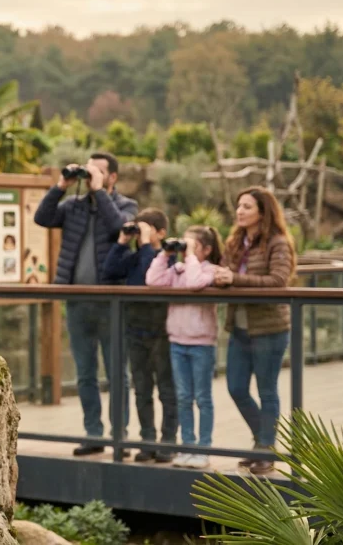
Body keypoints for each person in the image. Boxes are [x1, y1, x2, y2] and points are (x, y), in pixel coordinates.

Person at [33, 152, 138, 455]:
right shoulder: (74, 206)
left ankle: (121, 438)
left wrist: (98, 191)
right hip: (77, 302)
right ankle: (93, 434)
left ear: (112, 177)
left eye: (98, 171)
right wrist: (61, 185)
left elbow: (120, 229)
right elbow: (42, 217)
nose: (90, 174)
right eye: (88, 170)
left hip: (112, 302)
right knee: (85, 373)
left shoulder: (126, 206)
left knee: (118, 373)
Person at [213, 187, 297, 475]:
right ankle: (265, 441)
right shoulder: (237, 241)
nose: (239, 211)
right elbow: (225, 270)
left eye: (247, 206)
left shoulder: (278, 242)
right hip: (239, 327)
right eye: (238, 205)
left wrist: (234, 278)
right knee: (236, 387)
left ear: (263, 211)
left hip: (270, 328)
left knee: (267, 390)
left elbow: (278, 281)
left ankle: (265, 448)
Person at [101, 208, 177, 463]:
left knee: (166, 389)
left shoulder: (169, 258)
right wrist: (122, 242)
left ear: (161, 233)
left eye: (146, 229)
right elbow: (109, 271)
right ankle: (147, 440)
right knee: (141, 389)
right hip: (135, 329)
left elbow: (148, 277)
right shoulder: (136, 255)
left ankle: (167, 442)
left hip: (161, 332)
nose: (139, 235)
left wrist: (145, 244)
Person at [146, 225, 223, 469]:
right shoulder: (177, 270)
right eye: (184, 245)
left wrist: (189, 257)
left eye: (192, 246)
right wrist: (165, 254)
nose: (184, 251)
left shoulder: (211, 271)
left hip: (201, 344)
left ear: (207, 250)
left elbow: (195, 283)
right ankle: (187, 446)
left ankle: (203, 449)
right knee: (183, 398)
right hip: (177, 342)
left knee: (202, 398)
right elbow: (153, 280)